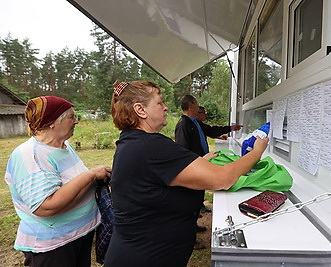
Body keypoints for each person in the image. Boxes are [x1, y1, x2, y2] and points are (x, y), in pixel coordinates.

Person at [104, 80, 269, 266]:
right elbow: (223, 179)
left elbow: (160, 176)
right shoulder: (150, 146)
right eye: (159, 102)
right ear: (141, 110)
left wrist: (200, 162)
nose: (165, 107)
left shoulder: (134, 142)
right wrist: (256, 152)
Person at [4, 96, 112, 267]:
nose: (76, 122)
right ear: (52, 122)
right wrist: (91, 175)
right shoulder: (29, 155)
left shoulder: (64, 146)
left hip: (79, 235)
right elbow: (46, 206)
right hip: (53, 247)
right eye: (71, 117)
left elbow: (73, 182)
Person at [175, 95, 242, 249]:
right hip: (193, 169)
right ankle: (189, 239)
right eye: (197, 103)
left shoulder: (195, 122)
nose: (198, 106)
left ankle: (194, 226)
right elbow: (183, 150)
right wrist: (194, 166)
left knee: (197, 200)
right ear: (191, 104)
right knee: (189, 204)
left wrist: (230, 128)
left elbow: (211, 130)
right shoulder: (183, 124)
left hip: (200, 166)